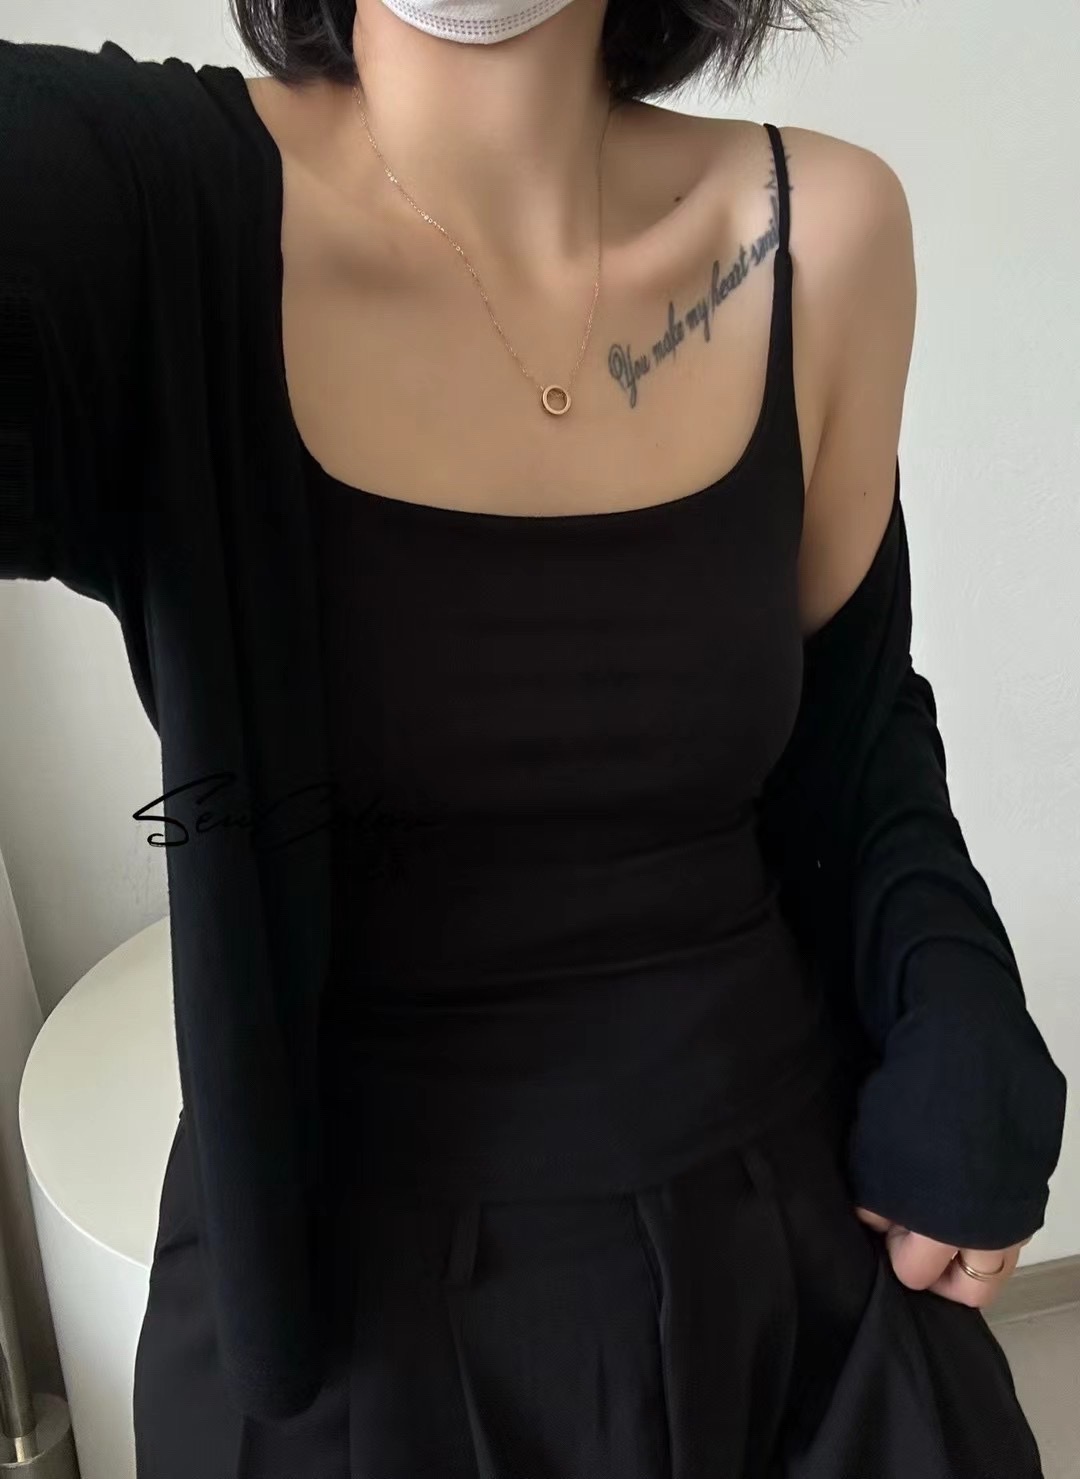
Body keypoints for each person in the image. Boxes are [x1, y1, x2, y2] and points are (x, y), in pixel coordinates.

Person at [0, 0, 1066, 1474]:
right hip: (348, 1335)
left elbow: (853, 724)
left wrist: (953, 993)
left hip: (798, 1289)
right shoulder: (147, 209)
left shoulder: (817, 228)